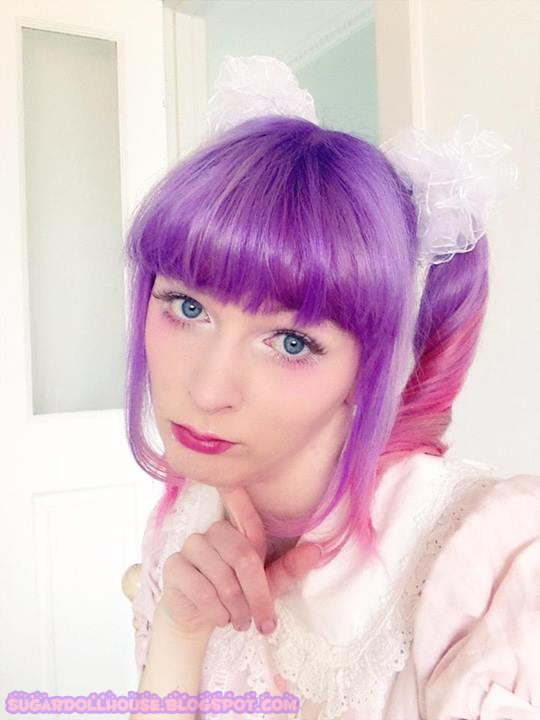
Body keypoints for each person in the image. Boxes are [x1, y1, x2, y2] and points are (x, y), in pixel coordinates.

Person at [125, 56, 540, 720]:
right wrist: (181, 627)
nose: (207, 390)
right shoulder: (184, 525)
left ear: (374, 369)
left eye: (291, 341)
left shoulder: (482, 566)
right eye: (187, 307)